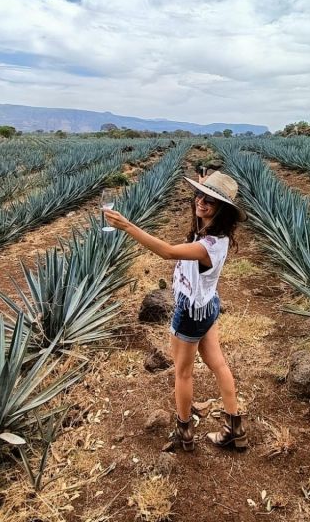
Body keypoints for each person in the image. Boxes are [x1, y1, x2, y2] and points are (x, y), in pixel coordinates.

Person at [104, 170, 248, 452]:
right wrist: (205, 187)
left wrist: (127, 226)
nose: (201, 202)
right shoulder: (217, 236)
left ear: (223, 211)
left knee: (182, 373)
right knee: (218, 364)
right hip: (208, 305)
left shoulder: (206, 246)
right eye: (199, 195)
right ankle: (236, 430)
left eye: (210, 201)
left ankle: (184, 432)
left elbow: (168, 252)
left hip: (191, 312)